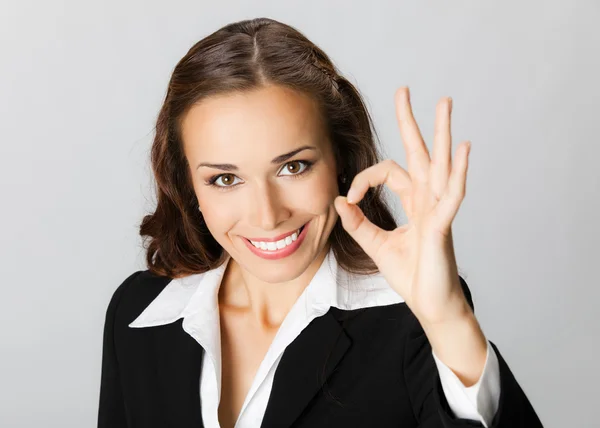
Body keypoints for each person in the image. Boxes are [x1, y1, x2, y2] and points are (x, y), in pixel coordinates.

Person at [98, 17, 543, 428]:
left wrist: (447, 319)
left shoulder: (413, 319)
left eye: (293, 167)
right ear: (187, 186)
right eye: (225, 178)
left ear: (341, 162)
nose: (267, 215)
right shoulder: (136, 313)